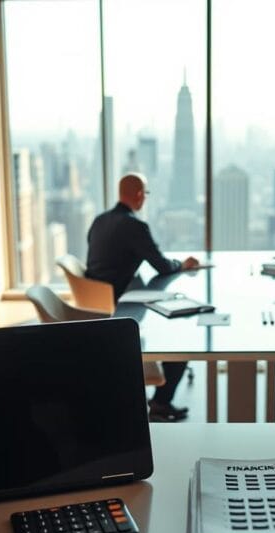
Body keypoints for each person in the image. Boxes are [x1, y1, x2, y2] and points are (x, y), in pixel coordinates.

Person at [86, 172, 199, 422]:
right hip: (122, 303)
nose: (145, 199)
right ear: (139, 195)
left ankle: (159, 401)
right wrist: (183, 264)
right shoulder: (135, 226)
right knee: (179, 341)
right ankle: (160, 403)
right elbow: (161, 265)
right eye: (145, 194)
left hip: (99, 302)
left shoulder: (99, 220)